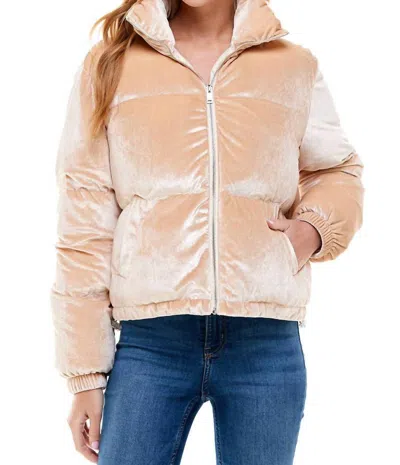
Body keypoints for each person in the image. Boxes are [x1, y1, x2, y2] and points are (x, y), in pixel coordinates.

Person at [50, 0, 364, 463]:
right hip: (151, 342)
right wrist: (85, 377)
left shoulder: (292, 66)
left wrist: (312, 231)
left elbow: (338, 170)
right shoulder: (111, 64)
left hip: (265, 342)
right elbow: (84, 227)